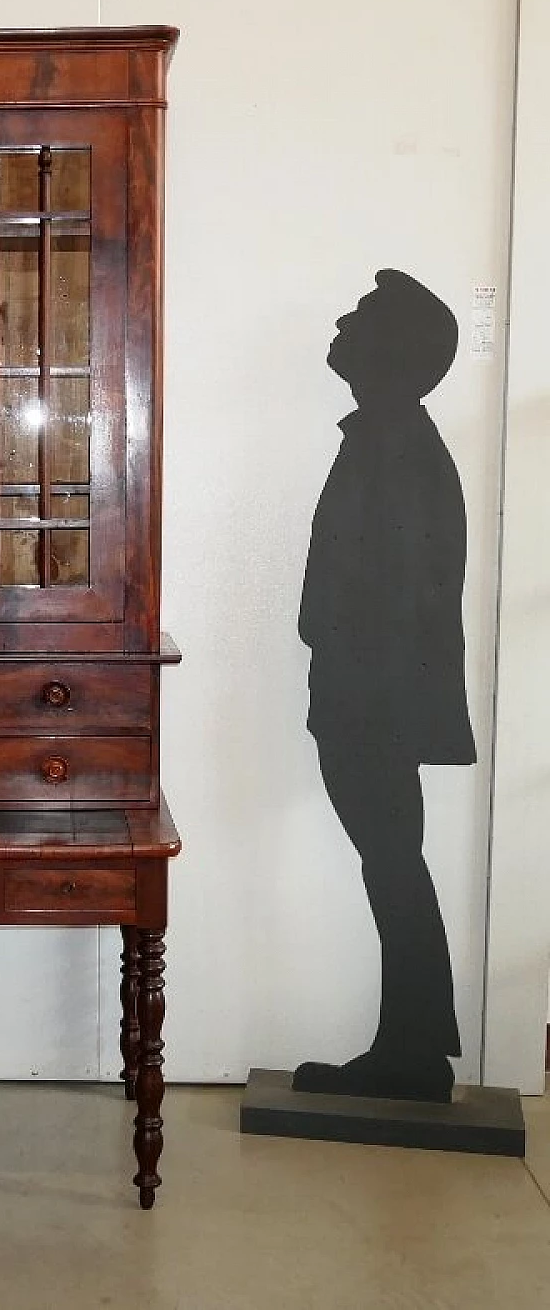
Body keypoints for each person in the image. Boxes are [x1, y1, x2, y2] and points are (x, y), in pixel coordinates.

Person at [292, 269, 475, 1103]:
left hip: (376, 703)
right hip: (370, 697)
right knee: (394, 864)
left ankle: (412, 1053)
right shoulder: (384, 436)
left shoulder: (395, 444)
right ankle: (414, 1045)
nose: (341, 322)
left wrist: (354, 687)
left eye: (361, 317)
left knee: (394, 864)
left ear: (392, 352)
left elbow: (402, 596)